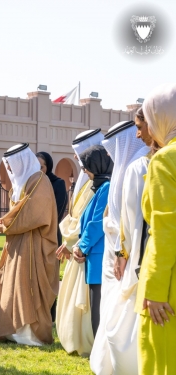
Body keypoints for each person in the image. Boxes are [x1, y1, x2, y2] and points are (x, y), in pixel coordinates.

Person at [90, 108, 153, 375]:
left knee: (124, 316)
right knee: (111, 309)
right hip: (117, 251)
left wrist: (123, 253)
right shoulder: (127, 168)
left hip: (128, 254)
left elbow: (134, 220)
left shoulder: (139, 166)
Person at [0, 143, 59, 346]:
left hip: (34, 246)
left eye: (11, 165)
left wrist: (6, 224)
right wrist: (7, 223)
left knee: (28, 286)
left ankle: (30, 335)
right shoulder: (21, 184)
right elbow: (19, 210)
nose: (10, 169)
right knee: (13, 285)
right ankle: (14, 330)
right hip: (17, 244)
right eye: (8, 165)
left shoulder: (40, 180)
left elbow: (33, 213)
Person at [135, 84, 176, 374]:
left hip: (168, 283)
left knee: (161, 358)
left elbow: (165, 228)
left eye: (148, 120)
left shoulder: (165, 160)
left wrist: (155, 290)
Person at [56, 128, 104, 356]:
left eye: (80, 154)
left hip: (86, 250)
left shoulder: (101, 185)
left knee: (88, 302)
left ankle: (88, 342)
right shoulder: (88, 182)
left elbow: (94, 221)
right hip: (79, 247)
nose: (76, 158)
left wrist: (75, 244)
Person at [72, 145, 113, 339]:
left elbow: (97, 222)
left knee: (99, 306)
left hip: (99, 253)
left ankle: (100, 352)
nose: (84, 172)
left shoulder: (106, 188)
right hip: (94, 254)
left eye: (85, 167)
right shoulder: (100, 187)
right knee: (95, 303)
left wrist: (82, 246)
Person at [36, 151, 68, 323]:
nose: (39, 170)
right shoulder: (32, 183)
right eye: (36, 166)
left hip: (51, 236)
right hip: (34, 236)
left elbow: (58, 211)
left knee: (50, 276)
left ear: (48, 166)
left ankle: (50, 315)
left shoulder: (58, 183)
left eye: (42, 166)